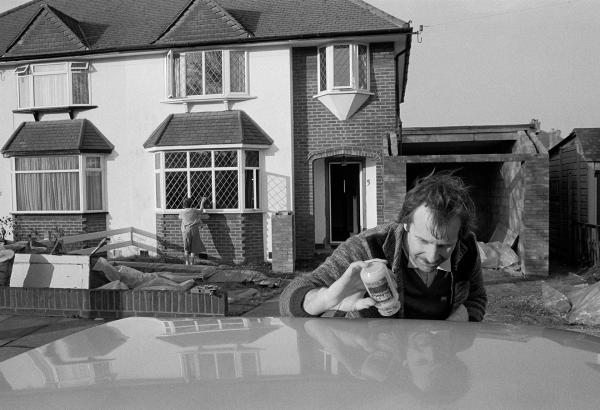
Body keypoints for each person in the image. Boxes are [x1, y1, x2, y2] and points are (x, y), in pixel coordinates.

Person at [279, 171, 487, 321]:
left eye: (445, 246)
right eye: (423, 241)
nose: (432, 257)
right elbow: (289, 298)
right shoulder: (369, 246)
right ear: (405, 223)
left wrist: (451, 328)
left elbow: (476, 298)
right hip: (376, 372)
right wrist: (326, 298)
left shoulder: (466, 248)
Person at [179, 196, 207, 265]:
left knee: (186, 247)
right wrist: (202, 202)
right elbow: (201, 211)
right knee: (193, 247)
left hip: (185, 231)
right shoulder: (194, 210)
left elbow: (180, 217)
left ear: (183, 204)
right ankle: (192, 263)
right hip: (194, 230)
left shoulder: (182, 212)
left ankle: (187, 262)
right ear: (191, 204)